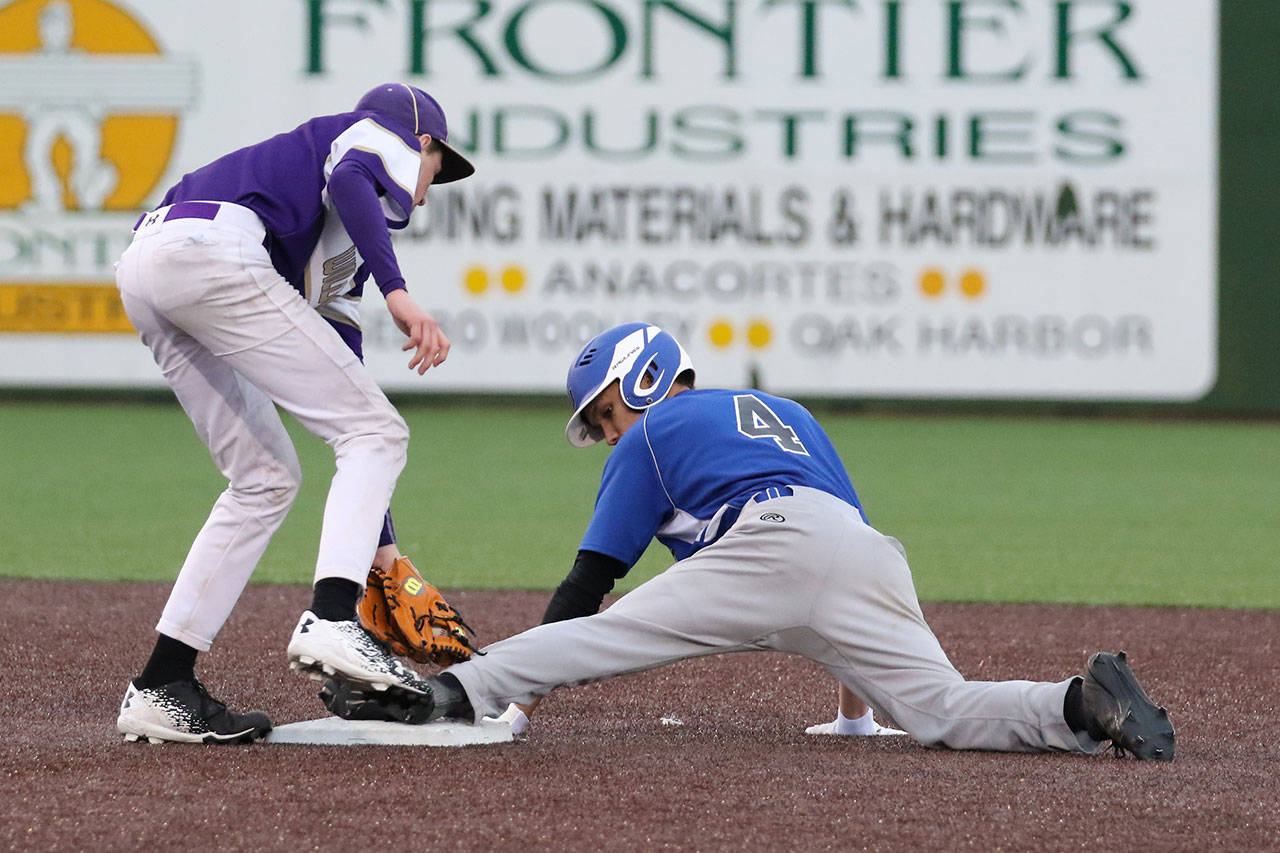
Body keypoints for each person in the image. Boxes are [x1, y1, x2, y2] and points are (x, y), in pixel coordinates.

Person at [332, 321, 1175, 761]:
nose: (607, 431)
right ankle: (1081, 702)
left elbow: (587, 585)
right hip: (856, 546)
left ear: (647, 379)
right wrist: (854, 718)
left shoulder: (654, 434)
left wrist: (515, 709)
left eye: (605, 412)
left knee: (598, 636)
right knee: (943, 709)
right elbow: (837, 561)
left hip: (766, 545)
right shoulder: (791, 415)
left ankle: (446, 698)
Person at [113, 83, 475, 744]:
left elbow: (343, 363)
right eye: (436, 166)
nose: (429, 186)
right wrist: (399, 291)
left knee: (267, 477)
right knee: (378, 431)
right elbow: (357, 170)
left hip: (149, 263)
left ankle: (163, 684)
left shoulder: (333, 219)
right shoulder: (371, 136)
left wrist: (383, 552)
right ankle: (333, 619)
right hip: (211, 252)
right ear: (419, 141)